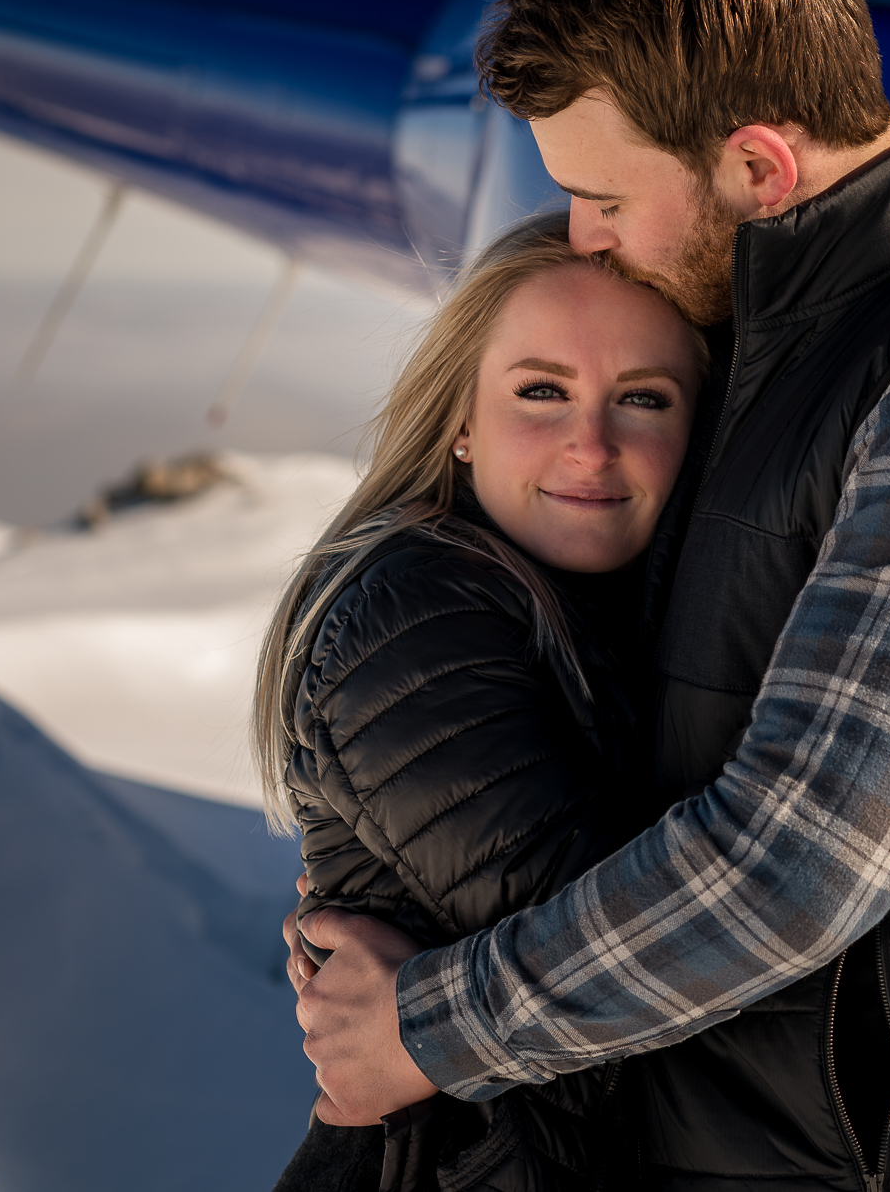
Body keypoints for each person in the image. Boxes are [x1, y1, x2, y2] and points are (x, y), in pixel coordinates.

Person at [291, 0, 890, 1189]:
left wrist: (426, 1026)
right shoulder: (785, 341)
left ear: (760, 166)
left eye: (603, 194)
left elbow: (802, 857)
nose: (583, 235)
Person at [259, 212, 704, 1191]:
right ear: (459, 420)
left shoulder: (602, 607)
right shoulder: (414, 613)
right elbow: (633, 969)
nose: (590, 446)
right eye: (540, 391)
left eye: (643, 399)